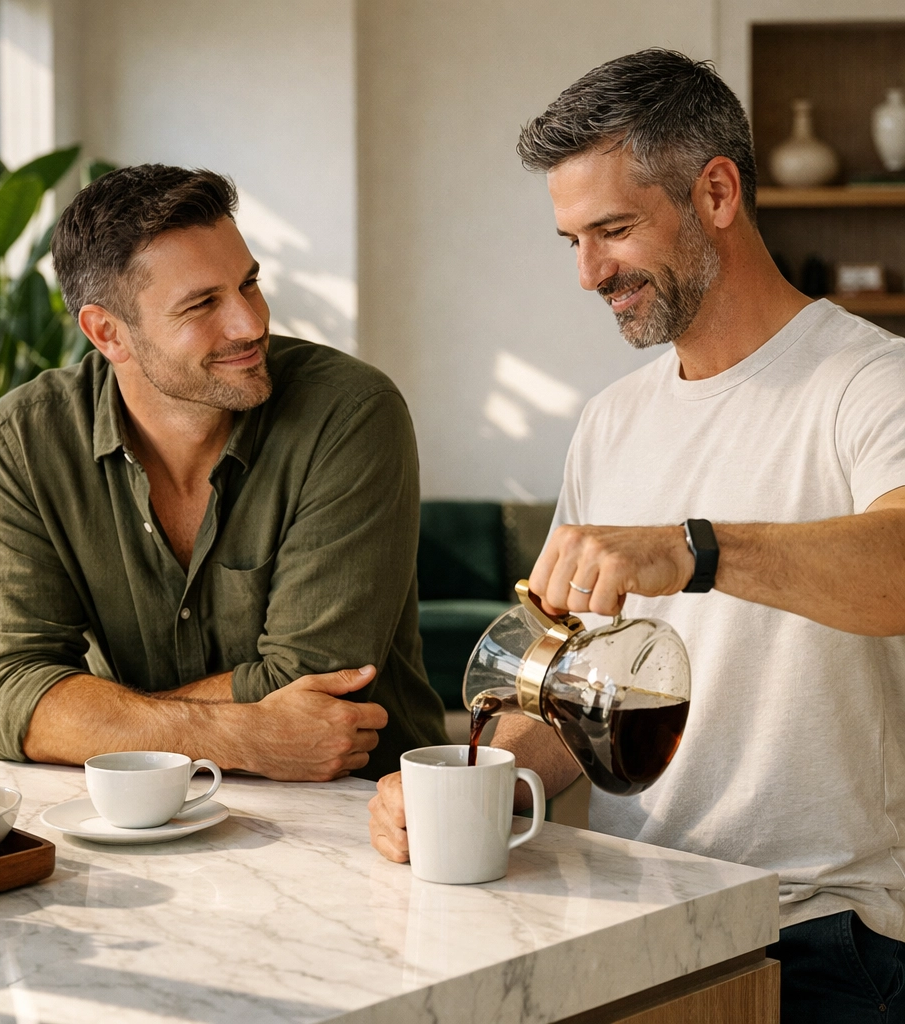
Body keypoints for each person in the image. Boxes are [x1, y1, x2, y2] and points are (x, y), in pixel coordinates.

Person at [369, 50, 905, 1021]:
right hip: (637, 912)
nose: (588, 273)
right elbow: (570, 684)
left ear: (716, 192)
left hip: (825, 929)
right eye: (571, 240)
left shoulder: (869, 384)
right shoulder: (612, 422)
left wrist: (695, 549)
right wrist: (485, 784)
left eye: (613, 230)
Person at [0, 164, 447, 782]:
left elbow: (317, 685)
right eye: (202, 304)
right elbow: (6, 692)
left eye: (249, 284)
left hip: (362, 807)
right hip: (129, 817)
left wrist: (94, 720)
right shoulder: (27, 437)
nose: (251, 324)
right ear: (107, 333)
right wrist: (242, 735)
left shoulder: (349, 413)